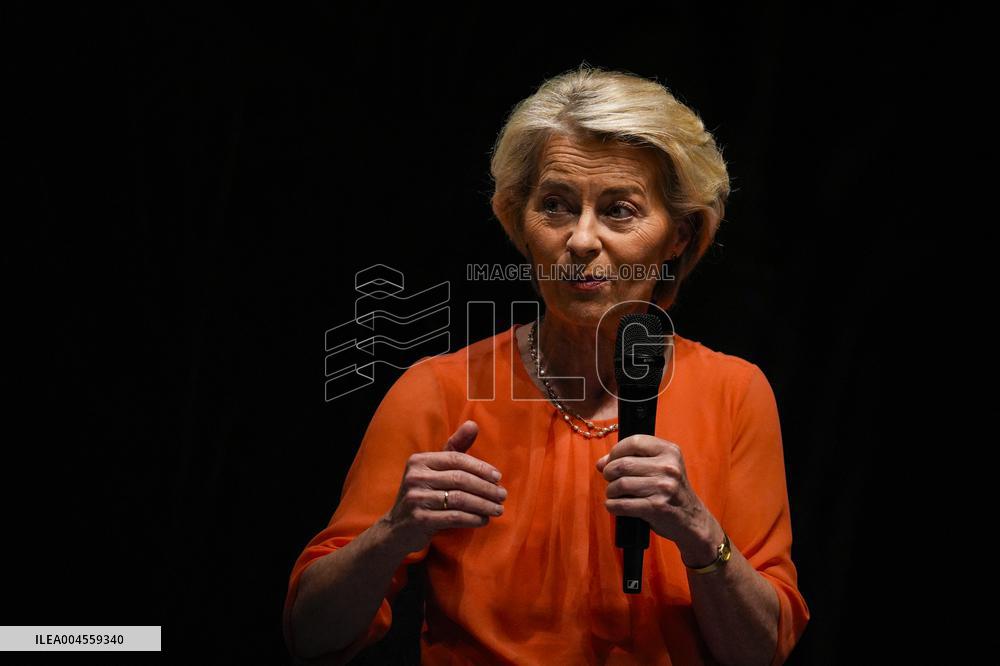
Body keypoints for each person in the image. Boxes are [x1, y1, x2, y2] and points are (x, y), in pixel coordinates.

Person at [283, 64, 810, 665]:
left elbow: (762, 653)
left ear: (679, 234)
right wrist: (391, 533)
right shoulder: (439, 391)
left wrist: (698, 532)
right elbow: (310, 635)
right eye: (556, 205)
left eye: (619, 210)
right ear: (519, 221)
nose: (582, 240)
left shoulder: (735, 393)